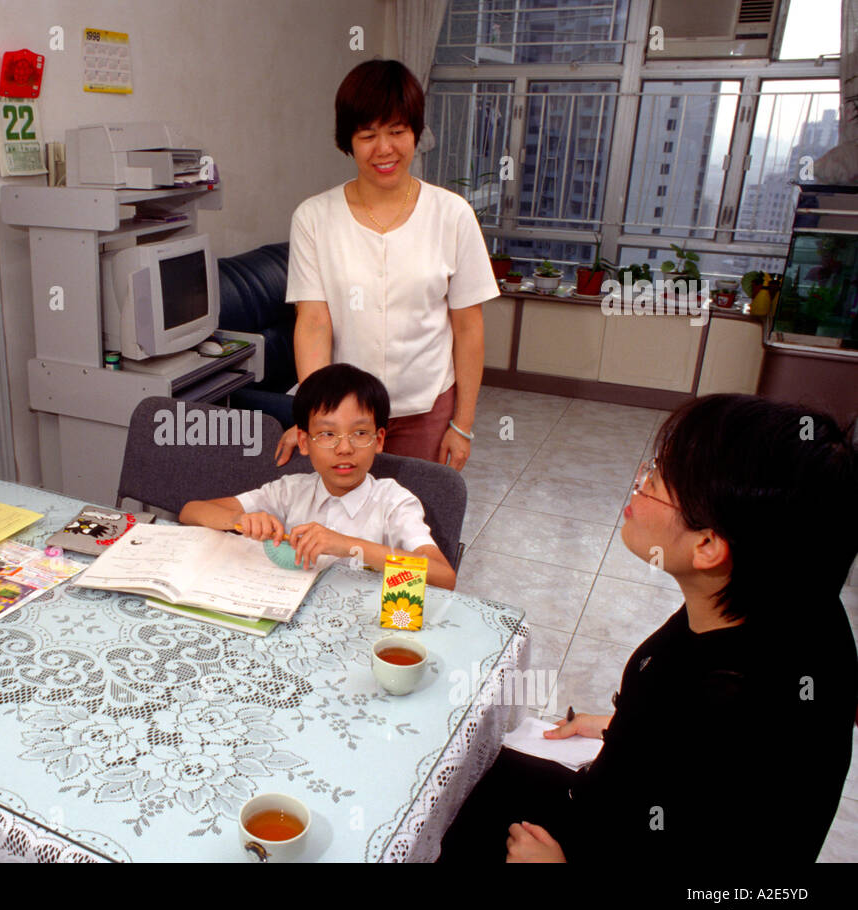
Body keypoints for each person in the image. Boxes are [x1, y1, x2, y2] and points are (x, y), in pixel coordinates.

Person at [436, 394, 858, 863]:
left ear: (707, 545)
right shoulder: (792, 601)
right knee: (468, 776)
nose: (639, 481)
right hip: (614, 794)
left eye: (657, 478)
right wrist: (625, 726)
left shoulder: (742, 714)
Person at [276, 59, 498, 472]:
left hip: (426, 409)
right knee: (340, 525)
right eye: (368, 135)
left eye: (397, 131)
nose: (384, 149)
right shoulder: (314, 217)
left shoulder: (452, 214)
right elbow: (313, 323)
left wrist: (462, 425)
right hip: (344, 415)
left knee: (416, 525)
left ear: (416, 132)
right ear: (348, 141)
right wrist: (313, 419)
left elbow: (469, 327)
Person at [179, 363, 457, 588]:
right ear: (304, 441)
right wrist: (239, 520)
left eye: (360, 433)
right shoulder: (291, 490)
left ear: (379, 440)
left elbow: (443, 576)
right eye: (327, 434)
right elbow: (191, 512)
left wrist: (347, 545)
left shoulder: (393, 502)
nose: (344, 448)